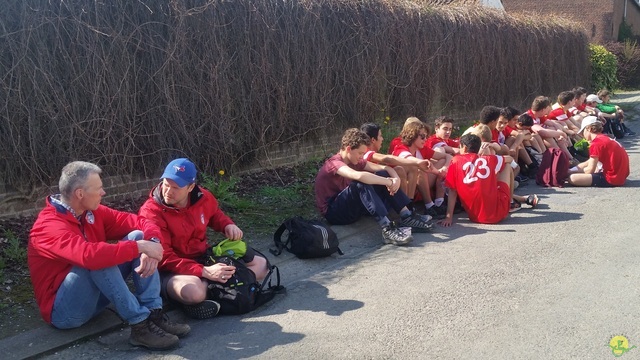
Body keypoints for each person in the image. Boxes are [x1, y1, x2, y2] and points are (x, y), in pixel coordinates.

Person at [28, 161, 189, 351]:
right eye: (99, 188)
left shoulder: (89, 212)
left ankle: (153, 314)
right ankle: (140, 325)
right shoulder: (48, 226)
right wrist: (138, 247)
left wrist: (152, 243)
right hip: (65, 313)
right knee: (97, 258)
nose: (103, 193)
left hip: (94, 300)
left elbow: (139, 222)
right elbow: (89, 256)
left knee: (137, 236)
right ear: (80, 194)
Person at [138, 158, 269, 319]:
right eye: (165, 184)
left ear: (191, 187)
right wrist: (205, 272)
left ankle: (215, 291)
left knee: (262, 265)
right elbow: (164, 257)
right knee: (194, 293)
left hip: (203, 257)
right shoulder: (151, 211)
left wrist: (228, 225)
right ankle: (223, 289)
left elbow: (215, 215)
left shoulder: (203, 197)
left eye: (175, 187)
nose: (168, 191)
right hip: (172, 269)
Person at [315, 128, 433, 246]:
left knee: (381, 174)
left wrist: (395, 178)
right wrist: (388, 182)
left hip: (351, 207)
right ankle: (387, 229)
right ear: (349, 149)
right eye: (360, 153)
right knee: (360, 183)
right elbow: (358, 175)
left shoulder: (355, 160)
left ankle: (407, 216)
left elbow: (385, 168)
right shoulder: (334, 163)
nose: (362, 157)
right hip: (334, 212)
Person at [440, 134, 538, 226]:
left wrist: (449, 217)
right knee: (506, 167)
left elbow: (452, 191)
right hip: (498, 213)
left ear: (464, 147)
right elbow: (509, 159)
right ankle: (511, 201)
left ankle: (515, 200)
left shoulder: (455, 160)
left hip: (474, 216)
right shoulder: (489, 159)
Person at [390, 121, 451, 217]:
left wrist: (444, 168)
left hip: (416, 185)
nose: (425, 139)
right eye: (422, 137)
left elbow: (448, 156)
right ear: (412, 135)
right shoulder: (400, 147)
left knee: (442, 161)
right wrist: (436, 171)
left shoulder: (422, 149)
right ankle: (426, 206)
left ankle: (438, 203)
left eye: (426, 137)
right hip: (398, 189)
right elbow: (411, 160)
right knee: (417, 168)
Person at [360, 122, 432, 200]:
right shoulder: (366, 153)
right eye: (380, 136)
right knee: (399, 170)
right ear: (373, 140)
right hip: (369, 192)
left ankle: (409, 204)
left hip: (375, 187)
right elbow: (387, 159)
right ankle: (405, 207)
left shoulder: (367, 152)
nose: (382, 139)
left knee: (411, 168)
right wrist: (417, 162)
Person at [568, 116, 630, 187]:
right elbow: (589, 161)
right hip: (621, 175)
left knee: (572, 178)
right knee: (574, 174)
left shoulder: (596, 143)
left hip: (612, 178)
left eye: (583, 132)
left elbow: (589, 170)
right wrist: (574, 169)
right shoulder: (605, 138)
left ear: (588, 129)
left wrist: (569, 173)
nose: (582, 135)